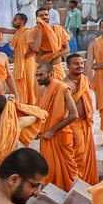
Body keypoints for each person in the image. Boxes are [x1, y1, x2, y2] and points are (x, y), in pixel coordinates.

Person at [36, 62, 80, 190]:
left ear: (51, 74)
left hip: (59, 135)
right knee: (49, 169)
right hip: (47, 138)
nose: (38, 78)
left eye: (41, 75)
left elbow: (74, 114)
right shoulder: (43, 89)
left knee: (69, 173)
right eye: (36, 75)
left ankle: (73, 198)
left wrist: (52, 130)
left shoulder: (62, 88)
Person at [64, 53, 99, 184]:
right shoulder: (65, 85)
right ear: (68, 66)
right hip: (74, 125)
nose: (79, 66)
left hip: (86, 124)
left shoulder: (84, 80)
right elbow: (63, 111)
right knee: (79, 158)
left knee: (88, 157)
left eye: (81, 63)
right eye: (75, 64)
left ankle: (89, 183)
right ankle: (79, 186)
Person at [7, 13, 38, 106]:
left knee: (30, 84)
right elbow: (5, 30)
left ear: (22, 21)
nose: (13, 21)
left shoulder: (28, 32)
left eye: (15, 20)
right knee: (20, 84)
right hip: (18, 62)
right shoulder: (17, 33)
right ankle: (23, 104)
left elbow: (36, 45)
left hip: (28, 62)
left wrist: (33, 52)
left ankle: (31, 105)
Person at [30, 7, 71, 79]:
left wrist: (52, 56)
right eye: (41, 15)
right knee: (42, 90)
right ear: (37, 18)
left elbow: (67, 49)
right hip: (41, 68)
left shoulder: (58, 29)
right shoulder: (33, 32)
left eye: (46, 15)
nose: (44, 17)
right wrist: (40, 30)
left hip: (57, 67)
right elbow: (35, 48)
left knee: (62, 88)